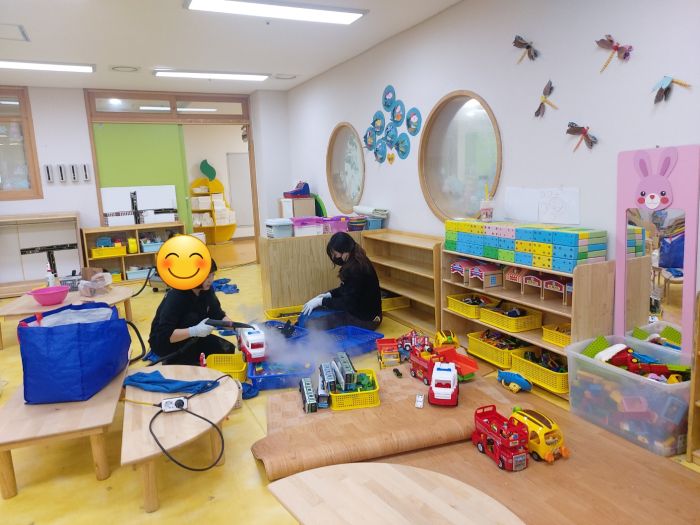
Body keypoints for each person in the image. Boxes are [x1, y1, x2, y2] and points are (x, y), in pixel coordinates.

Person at [149, 259, 235, 365]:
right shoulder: (176, 296)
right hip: (166, 343)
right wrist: (194, 331)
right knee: (196, 366)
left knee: (228, 350)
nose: (211, 280)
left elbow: (218, 315)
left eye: (213, 275)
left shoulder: (207, 290)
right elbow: (164, 336)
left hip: (192, 336)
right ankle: (173, 361)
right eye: (207, 276)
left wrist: (237, 328)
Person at [301, 232, 382, 330]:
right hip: (362, 312)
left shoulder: (356, 269)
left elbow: (347, 303)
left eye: (335, 254)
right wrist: (330, 294)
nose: (335, 258)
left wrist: (322, 302)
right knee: (318, 314)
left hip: (366, 320)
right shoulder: (355, 260)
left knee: (313, 324)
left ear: (345, 250)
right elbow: (348, 289)